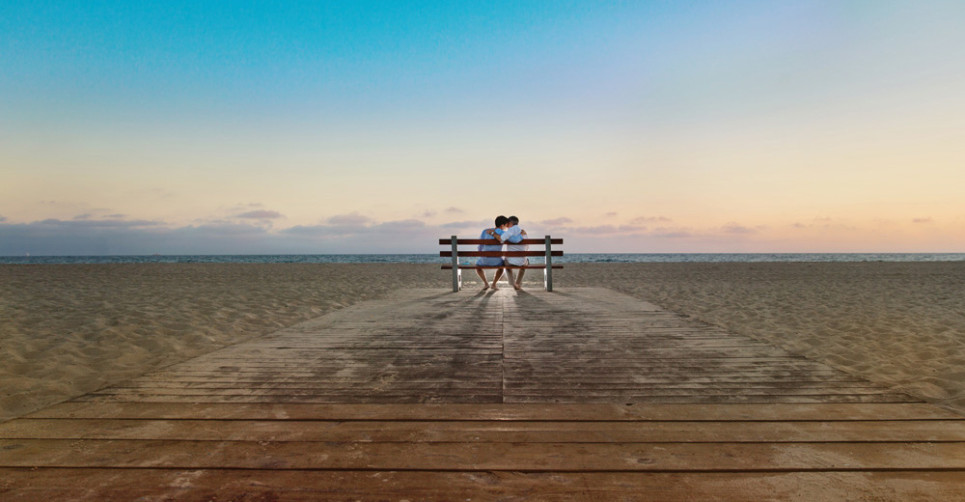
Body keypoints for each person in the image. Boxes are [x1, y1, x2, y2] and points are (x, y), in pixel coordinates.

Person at [476, 215, 510, 290]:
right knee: (502, 268)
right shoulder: (503, 233)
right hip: (496, 261)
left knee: (478, 266)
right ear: (502, 225)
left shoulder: (485, 231)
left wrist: (482, 254)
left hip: (484, 259)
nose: (506, 227)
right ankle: (494, 284)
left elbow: (480, 246)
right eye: (506, 225)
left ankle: (486, 283)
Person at [499, 216, 528, 290]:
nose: (507, 225)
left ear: (510, 223)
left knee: (505, 263)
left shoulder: (510, 231)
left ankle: (513, 283)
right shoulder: (523, 232)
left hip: (511, 261)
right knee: (525, 263)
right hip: (522, 261)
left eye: (507, 223)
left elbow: (501, 239)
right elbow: (527, 247)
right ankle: (518, 283)